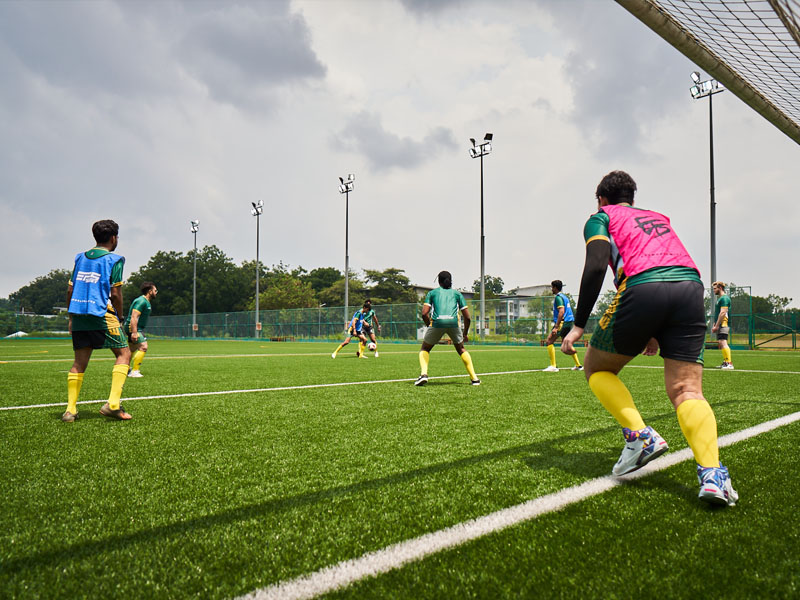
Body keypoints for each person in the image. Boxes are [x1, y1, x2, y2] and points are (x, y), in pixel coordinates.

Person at [561, 170, 737, 506]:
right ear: (632, 199)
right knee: (688, 390)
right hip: (689, 288)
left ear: (601, 198)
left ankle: (640, 436)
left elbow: (598, 265)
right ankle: (713, 474)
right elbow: (665, 266)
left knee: (597, 370)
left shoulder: (600, 217)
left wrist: (579, 324)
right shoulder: (658, 218)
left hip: (642, 286)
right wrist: (654, 329)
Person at [63, 219, 132, 422]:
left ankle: (70, 410)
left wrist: (71, 317)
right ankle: (112, 405)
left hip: (79, 316)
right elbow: (116, 293)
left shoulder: (80, 258)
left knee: (79, 362)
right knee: (124, 354)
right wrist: (119, 317)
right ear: (113, 238)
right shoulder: (114, 259)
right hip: (102, 315)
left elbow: (70, 289)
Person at [416, 271, 480, 386]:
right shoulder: (457, 294)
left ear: (439, 281)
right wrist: (465, 334)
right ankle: (474, 379)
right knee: (461, 349)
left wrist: (429, 325)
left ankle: (424, 375)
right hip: (453, 323)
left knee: (425, 348)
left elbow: (424, 313)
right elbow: (468, 317)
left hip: (437, 322)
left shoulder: (432, 293)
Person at [543, 280, 583, 372]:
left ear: (555, 288)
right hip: (569, 321)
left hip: (563, 322)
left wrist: (556, 327)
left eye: (552, 287)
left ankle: (553, 366)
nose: (551, 289)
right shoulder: (564, 297)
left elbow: (561, 311)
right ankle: (578, 365)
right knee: (567, 343)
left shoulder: (558, 298)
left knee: (549, 340)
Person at [124, 281, 158, 377]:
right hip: (135, 328)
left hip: (136, 328)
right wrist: (134, 332)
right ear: (150, 291)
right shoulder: (141, 301)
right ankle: (135, 371)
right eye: (155, 290)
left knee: (132, 349)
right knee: (143, 346)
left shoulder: (146, 302)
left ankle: (124, 368)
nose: (156, 293)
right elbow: (134, 317)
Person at [712, 281, 734, 369]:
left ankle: (729, 363)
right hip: (720, 323)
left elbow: (723, 313)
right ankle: (725, 362)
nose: (713, 291)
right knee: (721, 342)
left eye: (715, 289)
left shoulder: (724, 298)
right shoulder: (720, 299)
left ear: (720, 288)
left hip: (724, 324)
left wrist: (717, 325)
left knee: (723, 342)